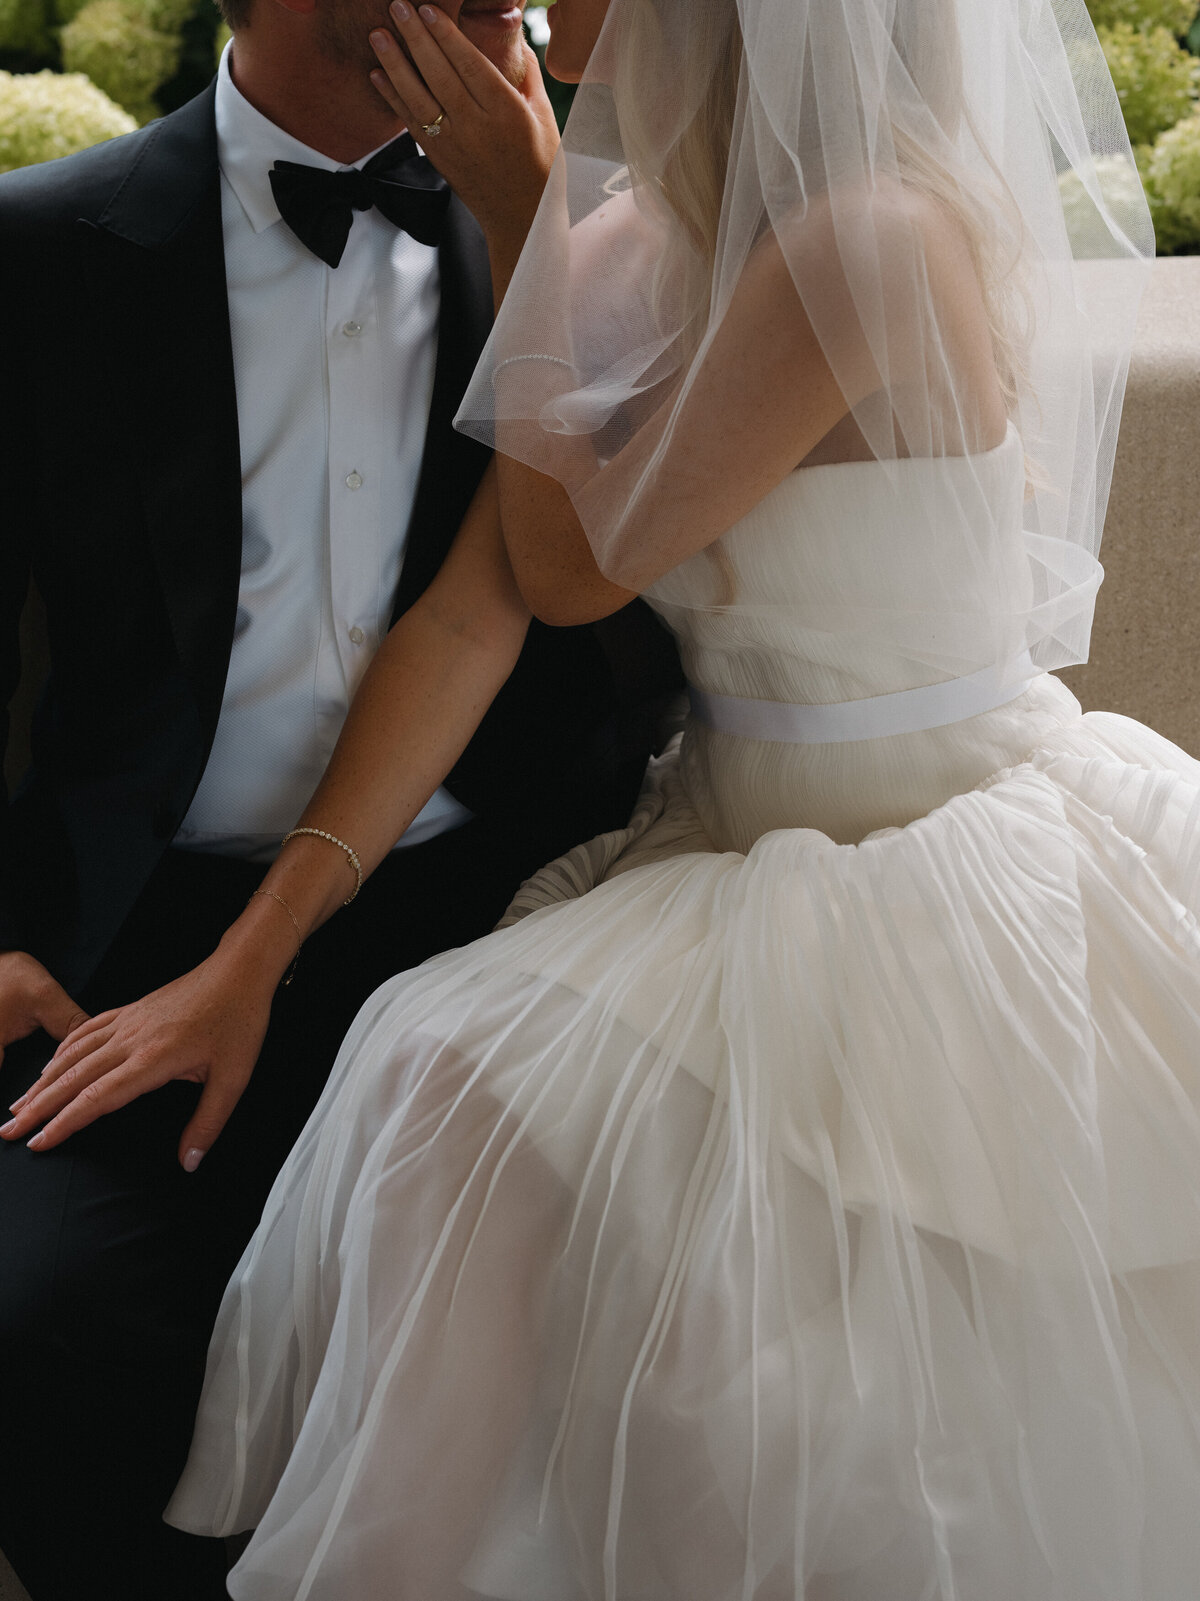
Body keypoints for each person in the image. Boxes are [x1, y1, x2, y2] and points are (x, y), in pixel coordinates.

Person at [40, 0, 1200, 1590]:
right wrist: (254, 949)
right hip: (732, 831)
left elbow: (574, 566)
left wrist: (525, 223)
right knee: (442, 1086)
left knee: (486, 1117)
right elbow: (473, 613)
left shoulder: (868, 239)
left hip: (918, 846)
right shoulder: (643, 234)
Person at [0, 0, 681, 1594]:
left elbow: (650, 634)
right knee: (37, 1319)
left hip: (497, 931)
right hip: (135, 936)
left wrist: (539, 236)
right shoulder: (39, 249)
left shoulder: (601, 235)